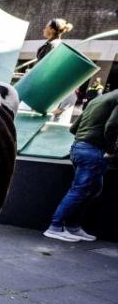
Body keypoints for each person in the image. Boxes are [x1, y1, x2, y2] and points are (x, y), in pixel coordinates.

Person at [43, 89, 117, 242]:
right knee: (80, 190)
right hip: (94, 151)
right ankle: (55, 227)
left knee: (92, 190)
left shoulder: (100, 99)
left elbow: (73, 128)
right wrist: (110, 150)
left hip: (79, 148)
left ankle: (73, 227)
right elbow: (112, 125)